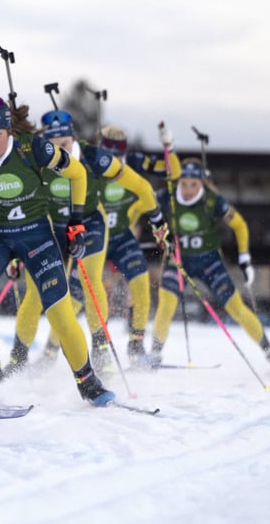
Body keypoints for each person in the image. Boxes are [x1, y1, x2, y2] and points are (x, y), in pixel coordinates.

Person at [0, 96, 114, 406]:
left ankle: (87, 381)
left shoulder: (33, 148)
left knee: (59, 309)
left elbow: (77, 173)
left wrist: (76, 222)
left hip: (35, 234)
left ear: (9, 130)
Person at [10, 112, 169, 374]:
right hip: (50, 227)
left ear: (73, 138)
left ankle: (100, 349)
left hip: (88, 225)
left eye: (65, 144)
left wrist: (157, 221)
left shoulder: (94, 157)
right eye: (53, 147)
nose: (59, 153)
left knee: (90, 281)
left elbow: (141, 186)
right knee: (36, 293)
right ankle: (17, 360)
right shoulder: (34, 158)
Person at [151, 157, 270, 371]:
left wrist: (244, 258)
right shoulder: (167, 196)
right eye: (184, 184)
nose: (188, 189)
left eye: (194, 184)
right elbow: (143, 203)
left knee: (236, 308)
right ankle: (154, 353)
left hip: (209, 262)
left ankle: (269, 350)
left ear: (202, 183)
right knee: (166, 304)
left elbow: (240, 225)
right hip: (178, 260)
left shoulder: (212, 201)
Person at [94, 124, 180, 366]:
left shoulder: (132, 162)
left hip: (122, 237)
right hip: (94, 236)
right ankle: (67, 349)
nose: (114, 164)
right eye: (109, 157)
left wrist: (169, 147)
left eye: (119, 157)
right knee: (83, 295)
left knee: (141, 285)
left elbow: (172, 172)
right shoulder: (89, 162)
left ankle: (136, 346)